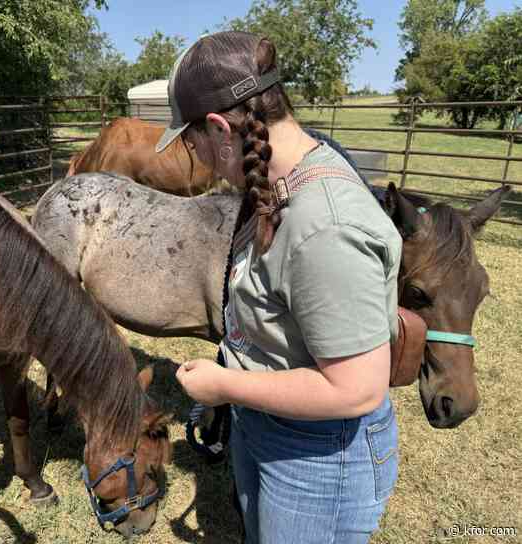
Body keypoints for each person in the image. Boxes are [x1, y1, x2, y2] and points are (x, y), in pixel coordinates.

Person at [162, 32, 402, 544]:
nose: (197, 156)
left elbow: (356, 388)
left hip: (316, 459)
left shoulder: (325, 224)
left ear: (219, 128)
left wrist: (224, 386)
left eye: (191, 142)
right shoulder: (276, 180)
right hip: (272, 425)